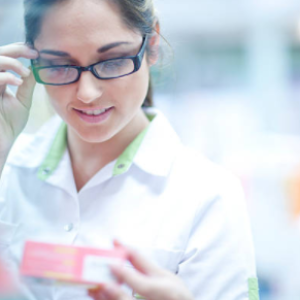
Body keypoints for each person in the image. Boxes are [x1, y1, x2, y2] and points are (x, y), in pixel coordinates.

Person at [0, 0, 259, 299]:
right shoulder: (9, 170)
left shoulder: (208, 197)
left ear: (152, 44)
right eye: (61, 64)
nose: (87, 93)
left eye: (112, 61)